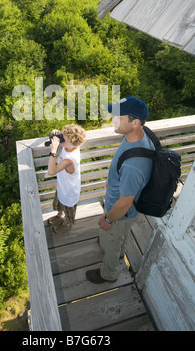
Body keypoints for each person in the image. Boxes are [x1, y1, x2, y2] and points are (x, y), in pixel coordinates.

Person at [86, 96, 154, 284]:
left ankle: (109, 274)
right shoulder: (135, 137)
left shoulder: (134, 165)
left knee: (112, 240)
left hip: (120, 211)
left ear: (135, 123)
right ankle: (119, 249)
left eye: (118, 117)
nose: (113, 120)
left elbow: (124, 203)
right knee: (119, 236)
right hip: (126, 211)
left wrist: (107, 219)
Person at [47, 124, 86, 234]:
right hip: (62, 185)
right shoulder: (70, 145)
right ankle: (60, 216)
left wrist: (53, 151)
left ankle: (67, 224)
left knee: (68, 209)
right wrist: (56, 132)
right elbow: (69, 136)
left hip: (70, 191)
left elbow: (51, 171)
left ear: (73, 142)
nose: (61, 139)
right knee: (59, 203)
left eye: (63, 138)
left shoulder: (71, 159)